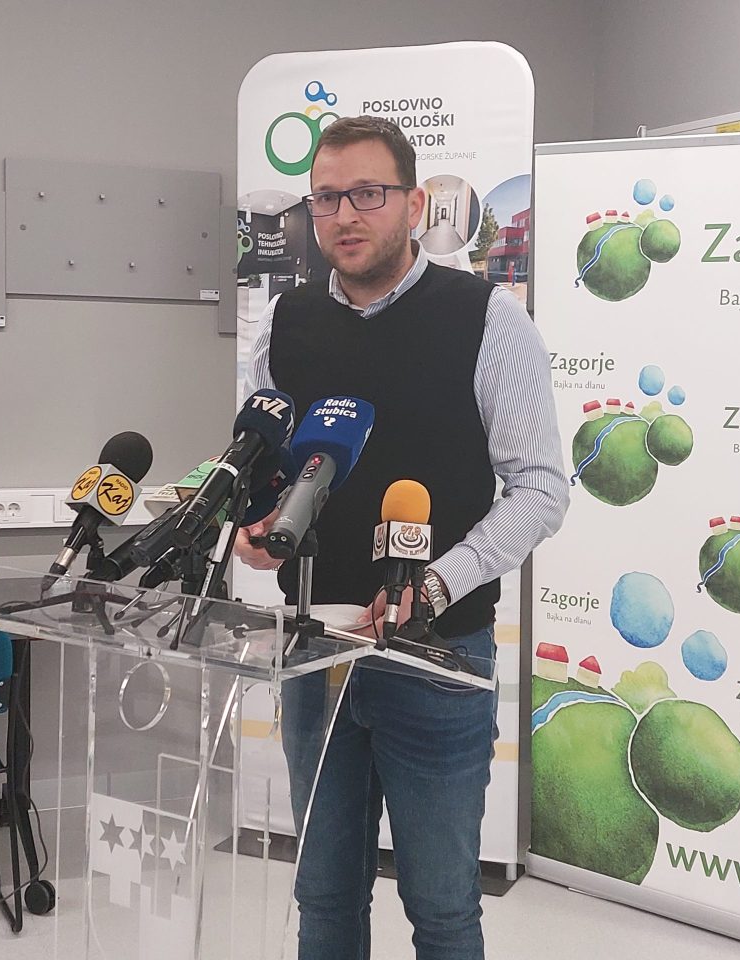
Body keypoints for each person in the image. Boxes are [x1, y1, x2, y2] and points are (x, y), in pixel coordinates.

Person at [237, 115, 568, 960]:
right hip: (315, 652)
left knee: (443, 907)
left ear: (415, 205)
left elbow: (540, 489)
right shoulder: (287, 321)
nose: (344, 215)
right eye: (326, 198)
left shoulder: (486, 319)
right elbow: (270, 462)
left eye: (367, 194)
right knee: (323, 897)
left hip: (438, 659)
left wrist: (437, 584)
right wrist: (259, 522)